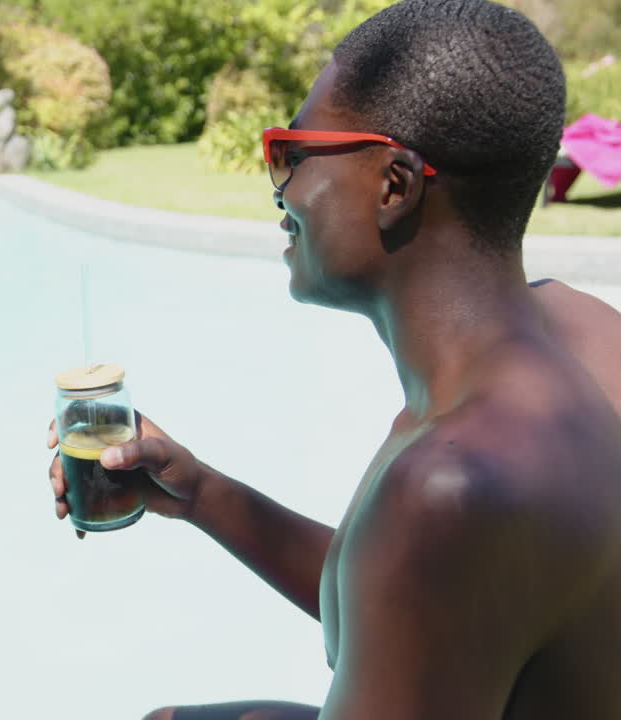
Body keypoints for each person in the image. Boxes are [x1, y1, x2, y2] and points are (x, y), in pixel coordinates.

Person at [48, 1, 621, 717]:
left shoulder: (450, 485)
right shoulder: (588, 335)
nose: (279, 189)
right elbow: (415, 605)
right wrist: (199, 494)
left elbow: (430, 558)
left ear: (395, 186)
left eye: (290, 152)